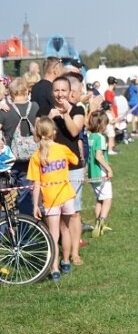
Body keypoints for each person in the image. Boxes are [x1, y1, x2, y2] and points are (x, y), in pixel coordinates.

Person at [27, 117, 79, 282]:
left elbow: (36, 184)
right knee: (66, 230)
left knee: (53, 234)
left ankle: (54, 268)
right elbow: (75, 160)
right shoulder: (62, 149)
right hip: (66, 194)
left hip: (49, 199)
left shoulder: (36, 156)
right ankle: (65, 261)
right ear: (54, 133)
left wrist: (36, 204)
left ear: (37, 134)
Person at [49, 76, 86, 266]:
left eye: (63, 90)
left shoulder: (78, 109)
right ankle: (59, 254)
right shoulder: (45, 110)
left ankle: (75, 253)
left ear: (70, 92)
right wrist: (49, 116)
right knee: (57, 213)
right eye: (56, 90)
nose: (60, 94)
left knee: (74, 212)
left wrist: (64, 114)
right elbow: (39, 133)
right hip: (53, 170)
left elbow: (74, 132)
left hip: (73, 169)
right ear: (52, 92)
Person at [0, 77, 39, 215]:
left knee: (5, 197)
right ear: (27, 91)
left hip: (9, 159)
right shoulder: (35, 107)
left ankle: (4, 228)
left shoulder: (5, 110)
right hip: (31, 159)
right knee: (25, 195)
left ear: (10, 93)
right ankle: (25, 229)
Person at [86, 111, 113, 237]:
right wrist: (108, 169)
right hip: (100, 172)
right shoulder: (100, 138)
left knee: (99, 200)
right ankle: (101, 223)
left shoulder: (89, 136)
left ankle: (97, 223)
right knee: (107, 199)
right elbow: (98, 156)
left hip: (92, 173)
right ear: (102, 125)